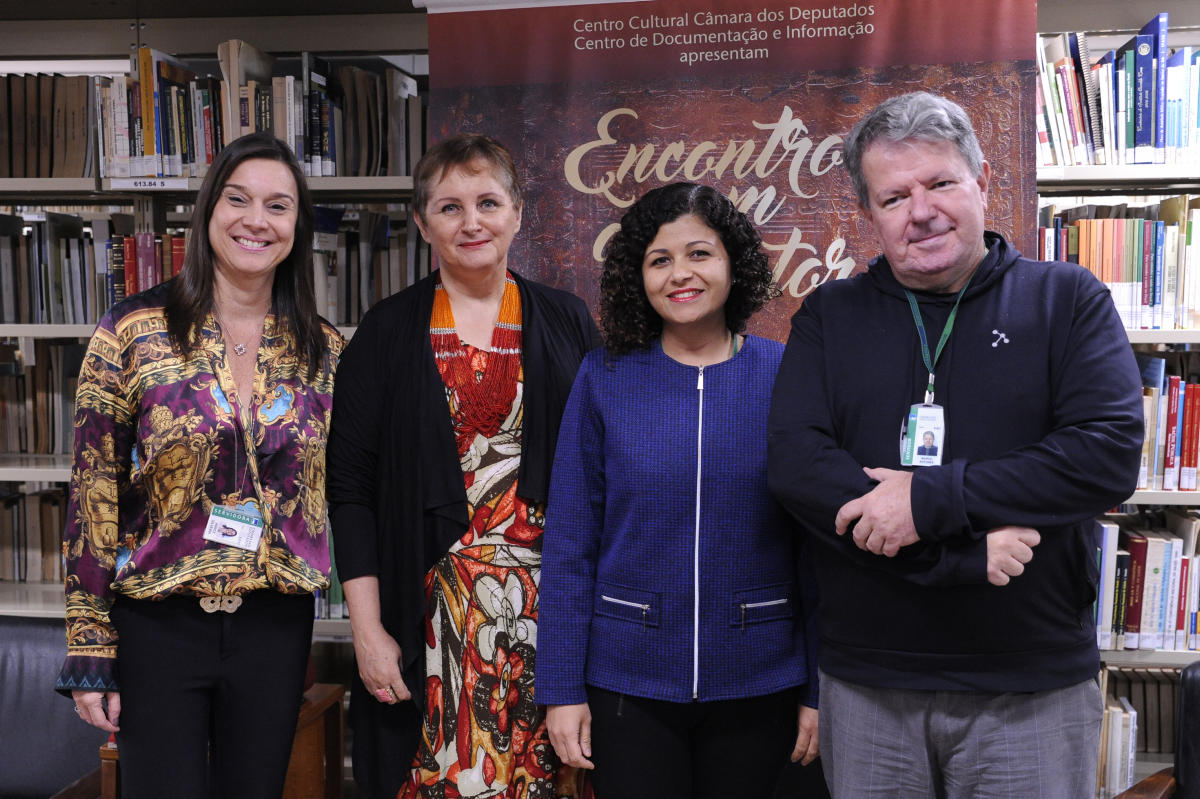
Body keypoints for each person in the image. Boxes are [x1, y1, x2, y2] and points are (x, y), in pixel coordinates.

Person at [767, 91, 1143, 798]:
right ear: (868, 213)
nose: (922, 210)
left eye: (940, 182)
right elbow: (797, 466)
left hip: (1028, 683)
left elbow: (1106, 454)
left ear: (983, 181)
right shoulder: (829, 316)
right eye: (894, 196)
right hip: (869, 684)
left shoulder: (1068, 300)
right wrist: (962, 554)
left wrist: (928, 498)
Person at [57, 132, 344, 799]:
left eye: (278, 206)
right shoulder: (132, 331)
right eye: (238, 199)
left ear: (297, 227)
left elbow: (340, 485)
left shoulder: (322, 350)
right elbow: (92, 490)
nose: (256, 220)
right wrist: (90, 641)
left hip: (274, 626)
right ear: (208, 209)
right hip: (159, 625)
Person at [326, 133, 599, 799]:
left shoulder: (567, 320)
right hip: (426, 621)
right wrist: (367, 630)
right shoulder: (385, 332)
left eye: (487, 202)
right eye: (449, 207)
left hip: (551, 619)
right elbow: (350, 488)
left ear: (517, 213)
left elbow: (600, 476)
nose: (471, 221)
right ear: (422, 223)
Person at [538, 182, 820, 799]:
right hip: (626, 682)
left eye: (699, 254)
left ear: (733, 264)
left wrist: (817, 689)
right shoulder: (604, 377)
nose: (679, 274)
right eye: (659, 260)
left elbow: (815, 547)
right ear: (636, 275)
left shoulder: (786, 375)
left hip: (761, 677)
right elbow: (568, 546)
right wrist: (560, 689)